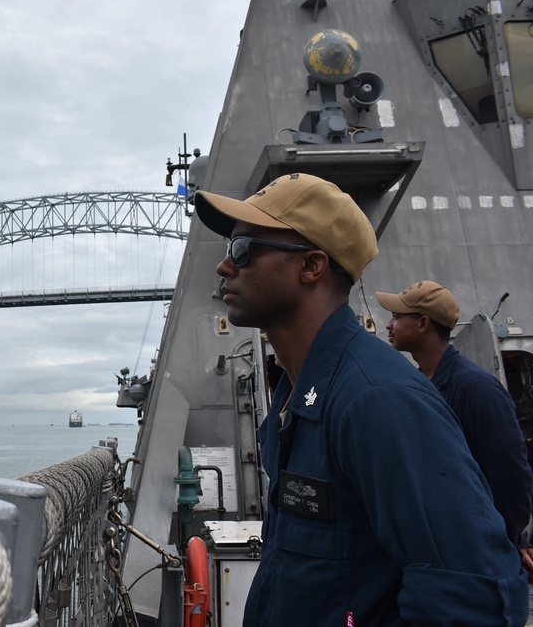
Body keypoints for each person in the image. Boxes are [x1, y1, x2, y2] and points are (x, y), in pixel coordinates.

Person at [193, 172, 528, 626]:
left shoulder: (378, 400)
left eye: (242, 250)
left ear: (311, 266)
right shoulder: (301, 391)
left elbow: (473, 594)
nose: (224, 266)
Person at [377, 281, 533, 565]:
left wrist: (504, 543)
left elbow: (510, 475)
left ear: (423, 324)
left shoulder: (476, 389)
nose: (389, 324)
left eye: (397, 317)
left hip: (476, 555)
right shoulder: (418, 384)